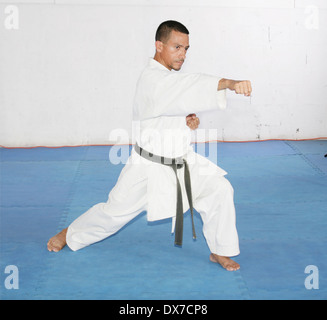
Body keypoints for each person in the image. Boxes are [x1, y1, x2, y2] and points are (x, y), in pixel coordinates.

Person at [47, 20, 252, 272]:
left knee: (219, 189)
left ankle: (220, 250)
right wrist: (229, 83)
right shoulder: (152, 79)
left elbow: (173, 102)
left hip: (181, 160)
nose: (183, 54)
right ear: (159, 45)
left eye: (186, 49)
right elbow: (185, 86)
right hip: (148, 167)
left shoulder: (166, 79)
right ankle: (69, 234)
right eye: (177, 47)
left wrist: (186, 120)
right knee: (113, 213)